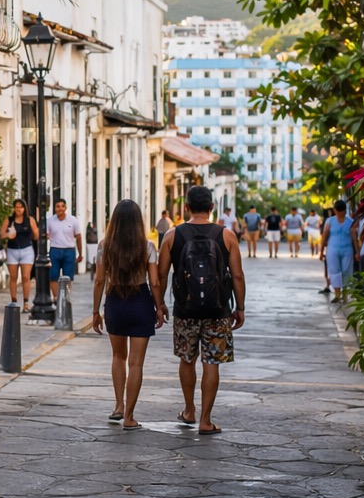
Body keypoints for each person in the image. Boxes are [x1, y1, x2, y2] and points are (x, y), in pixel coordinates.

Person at [156, 184, 245, 436]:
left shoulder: (172, 236)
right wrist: (239, 307)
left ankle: (189, 410)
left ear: (186, 208)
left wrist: (160, 303)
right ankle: (206, 420)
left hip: (185, 309)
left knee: (187, 359)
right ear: (212, 207)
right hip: (218, 310)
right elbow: (237, 275)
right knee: (211, 362)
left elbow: (161, 274)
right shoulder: (226, 236)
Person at [90, 199, 163, 430]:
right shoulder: (147, 247)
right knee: (136, 363)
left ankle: (119, 405)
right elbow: (155, 282)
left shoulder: (104, 246)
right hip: (140, 303)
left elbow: (100, 280)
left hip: (115, 302)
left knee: (118, 356)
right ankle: (130, 417)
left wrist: (95, 311)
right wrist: (159, 306)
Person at [320, 199, 358, 303]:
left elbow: (354, 238)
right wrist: (321, 251)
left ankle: (345, 294)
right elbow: (324, 236)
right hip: (333, 249)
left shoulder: (350, 222)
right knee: (334, 270)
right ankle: (337, 294)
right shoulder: (330, 221)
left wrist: (357, 252)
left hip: (347, 249)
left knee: (347, 270)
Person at [46, 199, 84, 301]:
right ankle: (56, 297)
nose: (60, 209)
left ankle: (66, 298)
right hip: (55, 250)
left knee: (68, 277)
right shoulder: (50, 221)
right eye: (57, 206)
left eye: (62, 206)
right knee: (53, 276)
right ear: (54, 208)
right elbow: (46, 235)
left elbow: (78, 237)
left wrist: (80, 254)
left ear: (66, 208)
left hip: (69, 250)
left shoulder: (73, 220)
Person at [2, 199, 37, 306]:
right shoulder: (9, 220)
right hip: (12, 250)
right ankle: (14, 301)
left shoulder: (29, 220)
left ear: (24, 208)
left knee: (26, 277)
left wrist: (36, 232)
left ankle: (26, 303)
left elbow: (36, 235)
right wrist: (8, 235)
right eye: (16, 207)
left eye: (21, 207)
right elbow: (2, 234)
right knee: (13, 277)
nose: (19, 209)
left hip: (26, 250)